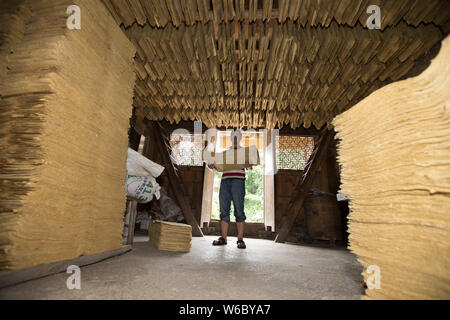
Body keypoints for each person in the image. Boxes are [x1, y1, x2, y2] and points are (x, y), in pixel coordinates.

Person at [207, 129, 255, 249]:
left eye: (237, 136)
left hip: (238, 181)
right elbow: (220, 168)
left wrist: (249, 165)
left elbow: (250, 168)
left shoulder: (245, 152)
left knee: (239, 209)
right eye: (232, 136)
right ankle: (223, 238)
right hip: (225, 181)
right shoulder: (225, 152)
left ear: (240, 138)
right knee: (224, 209)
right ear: (230, 137)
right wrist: (213, 166)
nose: (234, 138)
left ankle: (240, 239)